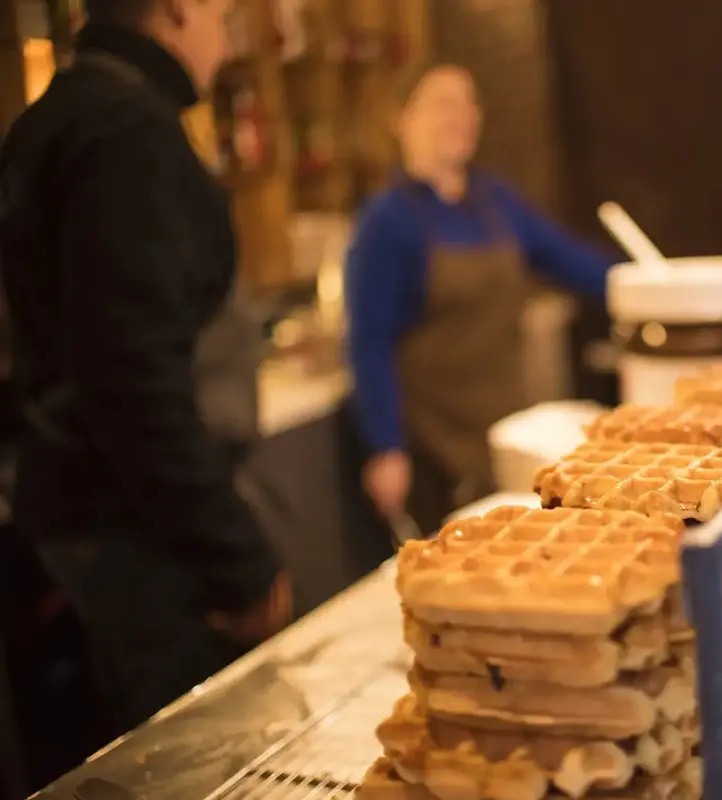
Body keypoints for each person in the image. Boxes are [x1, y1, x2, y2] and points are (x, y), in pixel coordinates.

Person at [0, 0, 291, 734]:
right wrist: (238, 560)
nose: (227, 38)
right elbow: (132, 384)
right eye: (222, 14)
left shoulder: (51, 118)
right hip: (140, 548)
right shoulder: (130, 133)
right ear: (173, 9)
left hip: (72, 524)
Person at [345, 63, 615, 535]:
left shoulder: (494, 200)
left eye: (469, 103)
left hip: (505, 426)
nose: (462, 115)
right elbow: (369, 342)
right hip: (434, 444)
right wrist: (385, 448)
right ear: (401, 120)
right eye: (443, 103)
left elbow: (569, 259)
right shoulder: (386, 221)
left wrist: (648, 288)